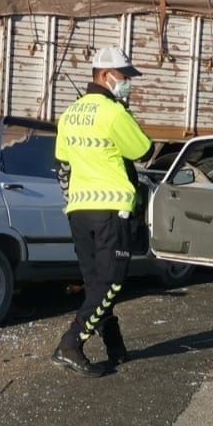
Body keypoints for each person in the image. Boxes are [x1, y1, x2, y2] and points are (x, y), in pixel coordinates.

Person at [52, 47, 153, 376]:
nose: (128, 83)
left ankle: (114, 344)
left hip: (79, 211)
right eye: (125, 76)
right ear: (106, 76)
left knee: (95, 282)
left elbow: (62, 164)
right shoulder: (113, 113)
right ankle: (71, 344)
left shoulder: (69, 114)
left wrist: (70, 199)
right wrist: (125, 114)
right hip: (111, 210)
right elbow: (144, 149)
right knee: (110, 283)